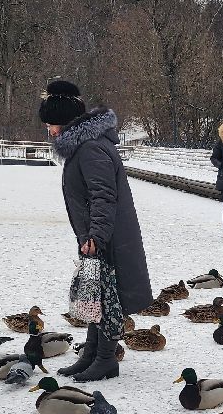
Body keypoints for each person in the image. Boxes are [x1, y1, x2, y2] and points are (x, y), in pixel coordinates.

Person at [39, 79, 152, 382]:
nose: (49, 130)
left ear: (66, 122)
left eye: (51, 124)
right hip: (99, 235)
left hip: (107, 237)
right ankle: (91, 353)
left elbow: (103, 196)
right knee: (95, 294)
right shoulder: (85, 146)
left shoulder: (90, 149)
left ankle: (105, 359)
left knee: (106, 296)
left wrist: (96, 237)